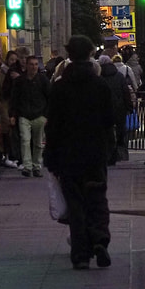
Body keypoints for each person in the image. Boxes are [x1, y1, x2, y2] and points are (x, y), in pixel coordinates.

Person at [44, 35, 115, 270]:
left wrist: (50, 156)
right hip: (94, 152)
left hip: (68, 154)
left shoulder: (60, 87)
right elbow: (110, 119)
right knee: (96, 197)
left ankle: (81, 253)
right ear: (90, 54)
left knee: (75, 203)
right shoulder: (99, 85)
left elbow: (52, 124)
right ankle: (100, 239)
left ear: (69, 56)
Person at [10, 55, 50, 177]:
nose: (34, 67)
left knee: (38, 143)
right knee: (25, 140)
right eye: (31, 64)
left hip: (39, 114)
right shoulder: (20, 81)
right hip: (24, 114)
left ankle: (36, 166)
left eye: (36, 64)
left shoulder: (43, 80)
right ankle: (27, 166)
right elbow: (14, 99)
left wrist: (46, 115)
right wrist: (13, 115)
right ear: (26, 66)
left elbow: (50, 97)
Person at [98, 55, 133, 164]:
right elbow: (126, 93)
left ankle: (108, 155)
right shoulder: (119, 76)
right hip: (119, 109)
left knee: (105, 133)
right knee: (120, 131)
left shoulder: (99, 77)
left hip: (103, 109)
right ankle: (119, 155)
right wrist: (129, 107)